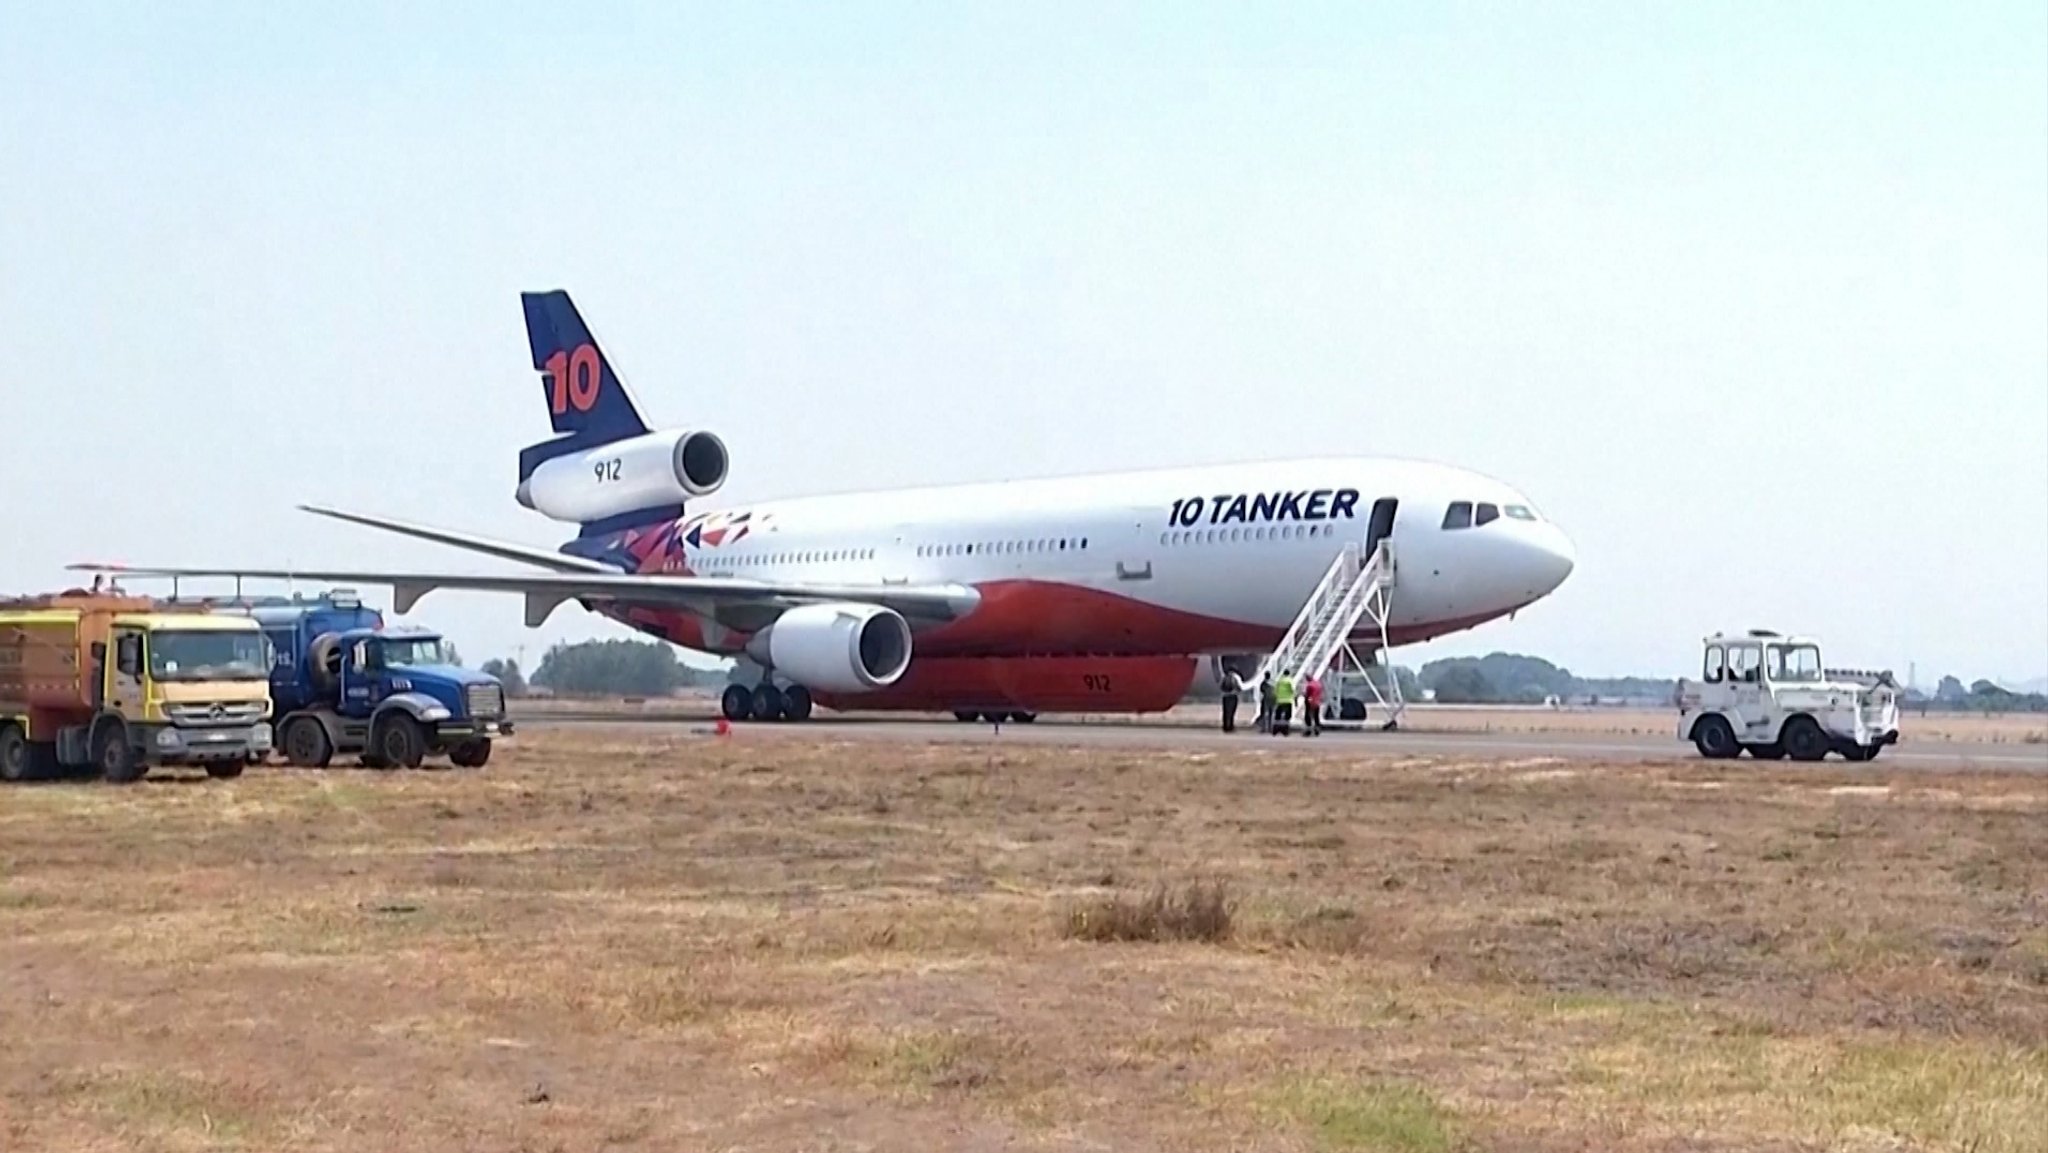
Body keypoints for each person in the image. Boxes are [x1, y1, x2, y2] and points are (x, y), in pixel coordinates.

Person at [1219, 667, 1243, 733]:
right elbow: (1239, 688)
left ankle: (1225, 727)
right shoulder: (1234, 679)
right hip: (1233, 696)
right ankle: (1230, 726)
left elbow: (1221, 687)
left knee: (1226, 712)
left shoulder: (1224, 678)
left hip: (1225, 696)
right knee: (1232, 712)